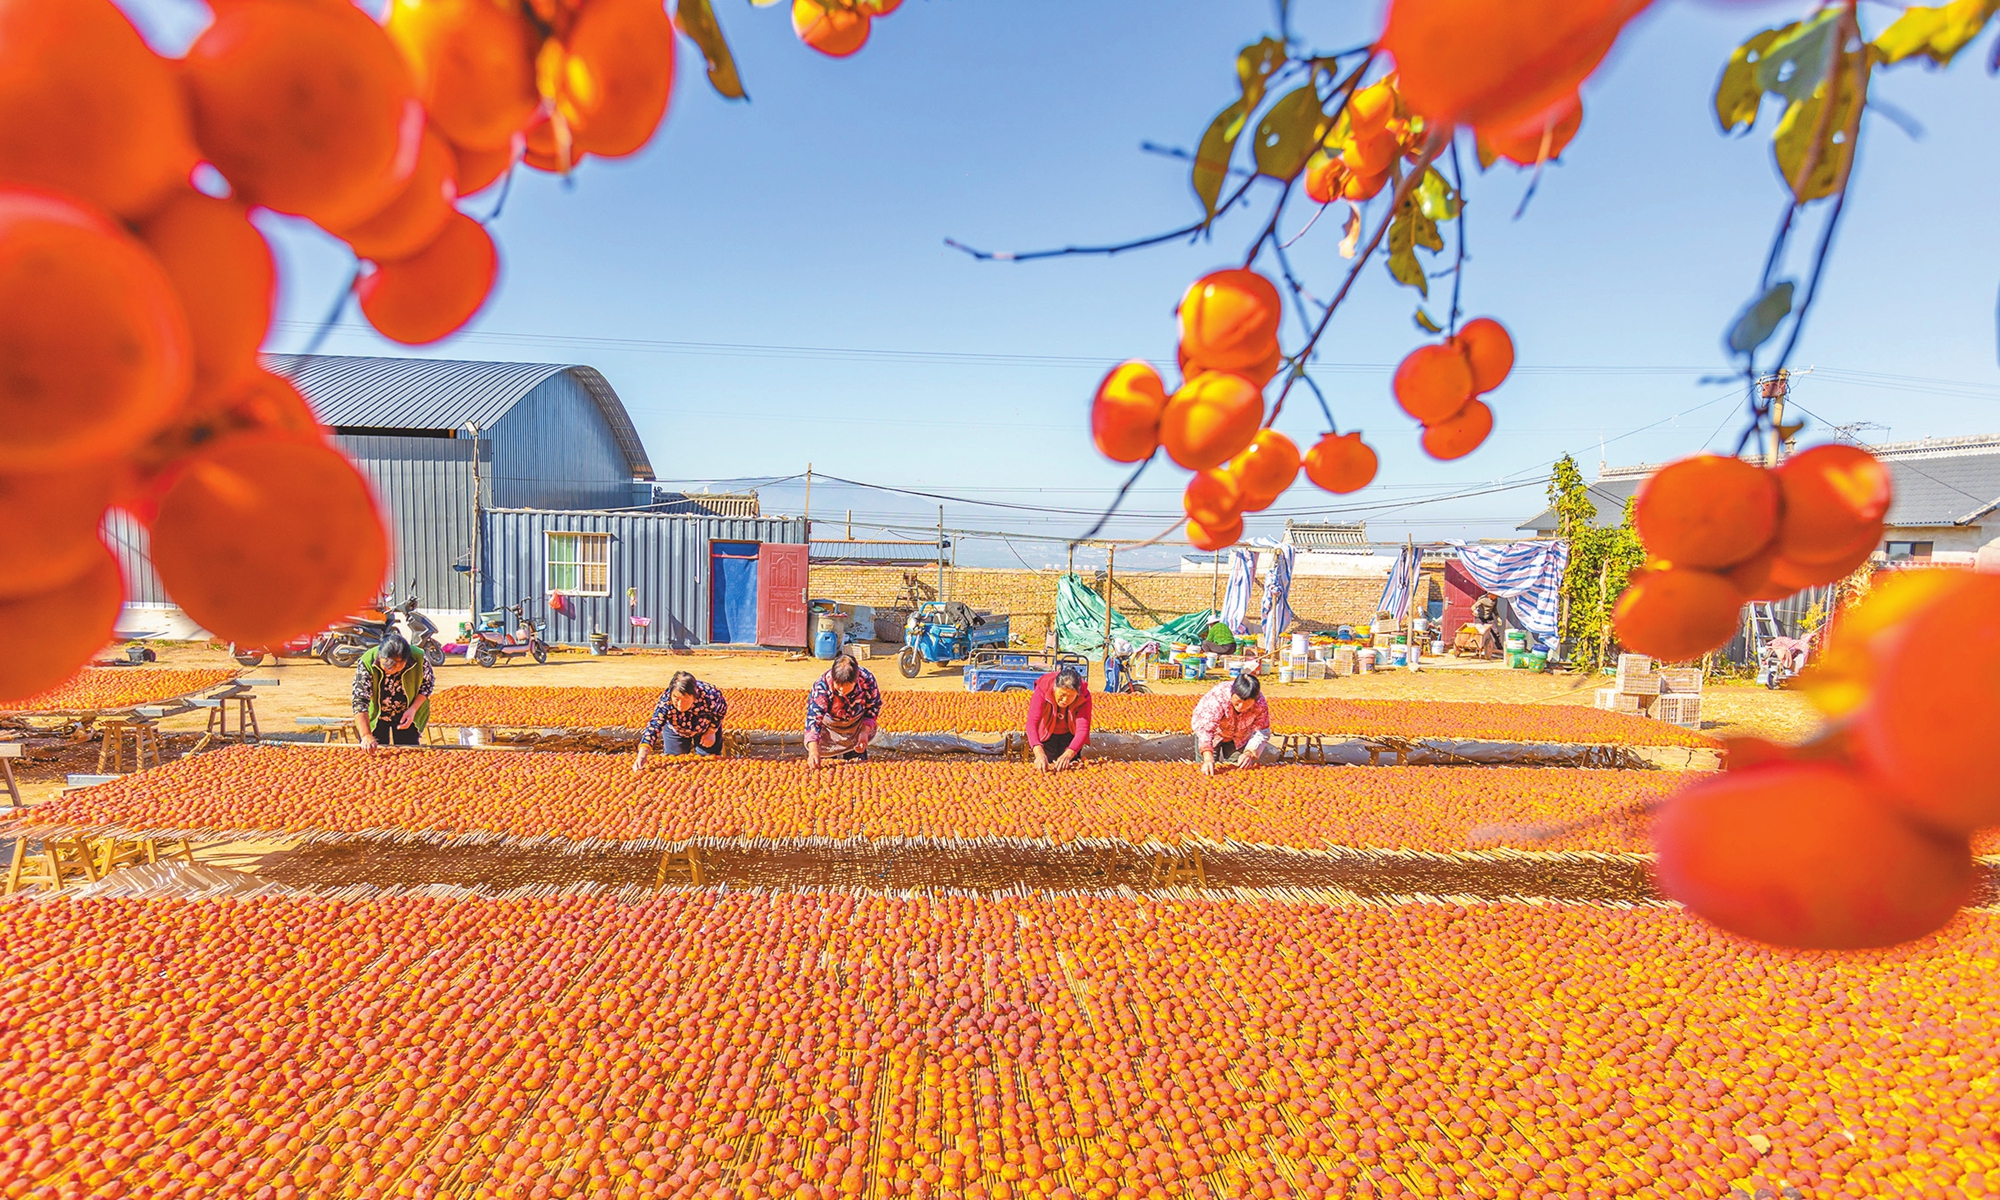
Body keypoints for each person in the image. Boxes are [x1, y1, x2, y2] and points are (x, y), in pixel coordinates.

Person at [351, 633, 434, 752]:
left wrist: (413, 709)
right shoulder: (367, 661)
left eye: (396, 667)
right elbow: (360, 699)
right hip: (377, 715)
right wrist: (366, 735)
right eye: (386, 666)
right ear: (380, 656)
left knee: (408, 753)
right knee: (375, 753)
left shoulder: (418, 657)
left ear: (407, 660)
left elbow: (427, 685)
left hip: (408, 715)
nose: (390, 671)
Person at [633, 671, 728, 772]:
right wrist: (642, 754)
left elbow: (721, 711)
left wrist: (711, 731)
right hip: (676, 729)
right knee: (674, 763)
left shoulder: (710, 696)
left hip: (705, 728)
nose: (679, 705)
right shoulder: (666, 702)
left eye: (685, 700)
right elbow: (655, 725)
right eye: (676, 698)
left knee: (709, 762)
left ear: (694, 696)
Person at [805, 652, 882, 768]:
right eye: (838, 685)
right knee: (828, 767)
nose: (841, 690)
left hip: (855, 728)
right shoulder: (822, 687)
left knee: (857, 767)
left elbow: (873, 707)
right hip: (830, 729)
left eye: (846, 686)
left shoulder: (866, 680)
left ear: (855, 680)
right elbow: (813, 719)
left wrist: (864, 733)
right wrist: (813, 751)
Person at [1192, 670, 1271, 776]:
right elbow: (1206, 728)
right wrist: (1208, 757)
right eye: (1237, 702)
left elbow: (1262, 731)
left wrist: (1249, 753)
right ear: (1232, 693)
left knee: (1238, 771)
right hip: (1213, 735)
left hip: (1239, 737)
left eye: (1247, 704)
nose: (1241, 707)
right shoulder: (1219, 697)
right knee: (1208, 770)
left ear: (1254, 701)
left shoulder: (1260, 704)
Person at [1025, 665, 1092, 772]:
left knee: (1069, 770)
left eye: (1070, 696)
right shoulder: (1044, 688)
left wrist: (1069, 753)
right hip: (1048, 733)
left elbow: (1083, 729)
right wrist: (1039, 752)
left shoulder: (1084, 696)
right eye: (1062, 694)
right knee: (1047, 767)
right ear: (1055, 688)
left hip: (1070, 735)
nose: (1065, 700)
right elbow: (1032, 723)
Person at [1472, 593, 1502, 659]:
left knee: (1495, 632)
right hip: (1480, 618)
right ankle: (1478, 649)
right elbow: (1474, 606)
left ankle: (1498, 649)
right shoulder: (1482, 599)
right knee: (1479, 634)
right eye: (1495, 596)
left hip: (1489, 618)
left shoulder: (1495, 600)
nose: (1496, 597)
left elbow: (1494, 610)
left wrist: (1498, 617)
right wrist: (1474, 611)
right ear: (1490, 594)